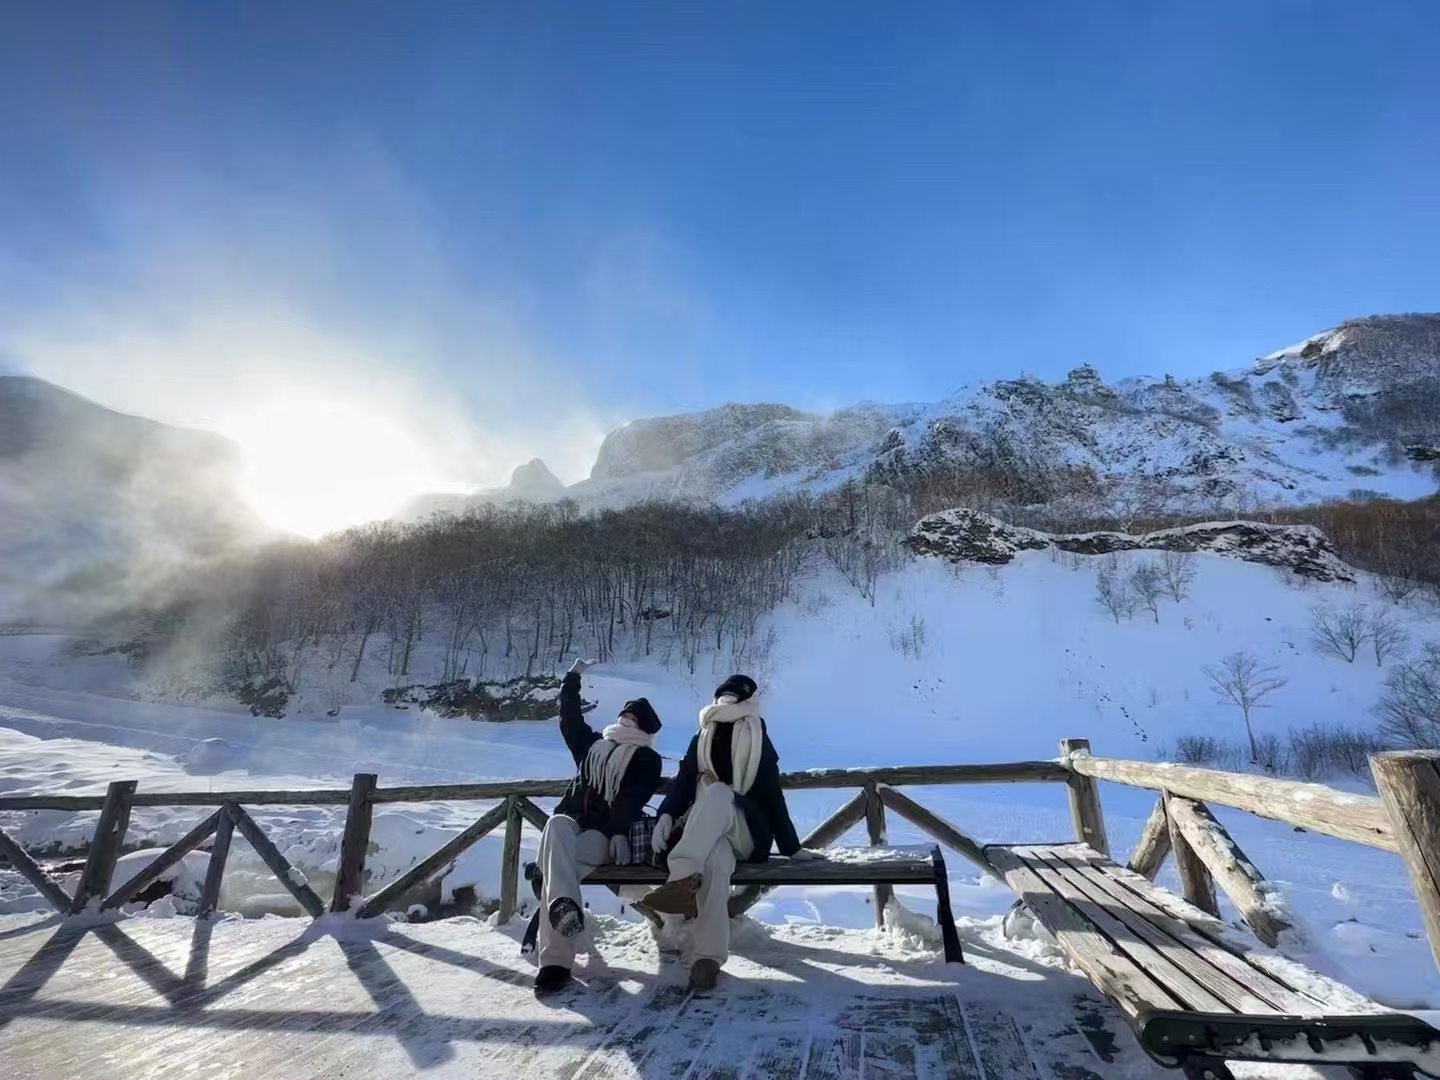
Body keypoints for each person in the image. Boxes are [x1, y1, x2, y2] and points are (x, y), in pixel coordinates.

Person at [640, 674, 820, 991]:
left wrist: (791, 847)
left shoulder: (757, 735)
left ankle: (680, 878)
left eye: (733, 696)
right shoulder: (702, 736)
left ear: (747, 700)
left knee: (719, 793)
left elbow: (773, 795)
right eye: (722, 695)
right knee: (716, 860)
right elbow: (684, 781)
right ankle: (707, 959)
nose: (725, 700)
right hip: (709, 834)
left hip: (748, 832)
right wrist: (666, 814)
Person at [533, 658, 663, 995]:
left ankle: (554, 963)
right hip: (571, 829)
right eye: (623, 715)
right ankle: (566, 911)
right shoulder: (593, 747)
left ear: (643, 728)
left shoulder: (645, 759)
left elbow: (632, 797)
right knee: (556, 824)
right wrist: (572, 679)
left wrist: (618, 832)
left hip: (603, 836)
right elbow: (570, 721)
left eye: (632, 718)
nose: (624, 720)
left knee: (555, 871)